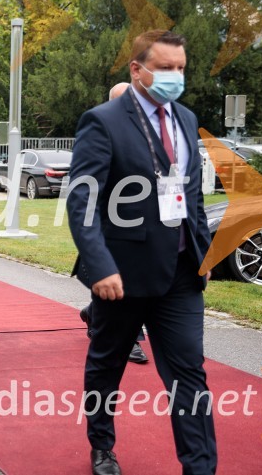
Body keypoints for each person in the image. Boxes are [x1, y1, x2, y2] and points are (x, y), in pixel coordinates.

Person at [67, 30, 216, 475]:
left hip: (183, 274)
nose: (175, 76)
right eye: (165, 68)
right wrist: (100, 266)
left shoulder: (187, 120)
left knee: (190, 373)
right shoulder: (104, 120)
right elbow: (82, 200)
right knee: (107, 365)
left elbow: (192, 196)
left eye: (181, 68)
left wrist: (204, 255)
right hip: (122, 276)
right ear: (138, 69)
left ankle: (201, 467)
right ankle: (102, 444)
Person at [78, 82, 148, 365]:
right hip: (111, 223)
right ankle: (132, 339)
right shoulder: (98, 134)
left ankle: (93, 313)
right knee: (127, 282)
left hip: (146, 222)